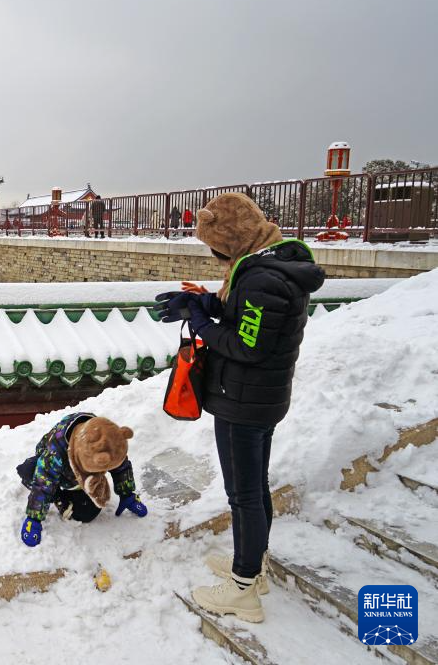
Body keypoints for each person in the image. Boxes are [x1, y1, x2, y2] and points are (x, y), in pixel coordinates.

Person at [155, 192, 325, 623]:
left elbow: (246, 344)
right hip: (260, 396)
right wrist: (201, 303)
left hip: (244, 400)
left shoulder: (259, 277)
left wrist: (200, 324)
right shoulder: (273, 263)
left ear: (229, 238)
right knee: (255, 486)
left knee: (243, 494)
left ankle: (243, 586)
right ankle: (257, 566)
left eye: (214, 244)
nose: (213, 255)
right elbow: (245, 314)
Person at [17, 414, 147, 547]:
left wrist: (127, 494)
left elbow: (121, 465)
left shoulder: (108, 436)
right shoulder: (55, 452)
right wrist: (34, 517)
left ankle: (75, 493)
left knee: (87, 514)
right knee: (28, 471)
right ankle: (57, 496)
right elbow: (42, 483)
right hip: (59, 471)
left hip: (82, 480)